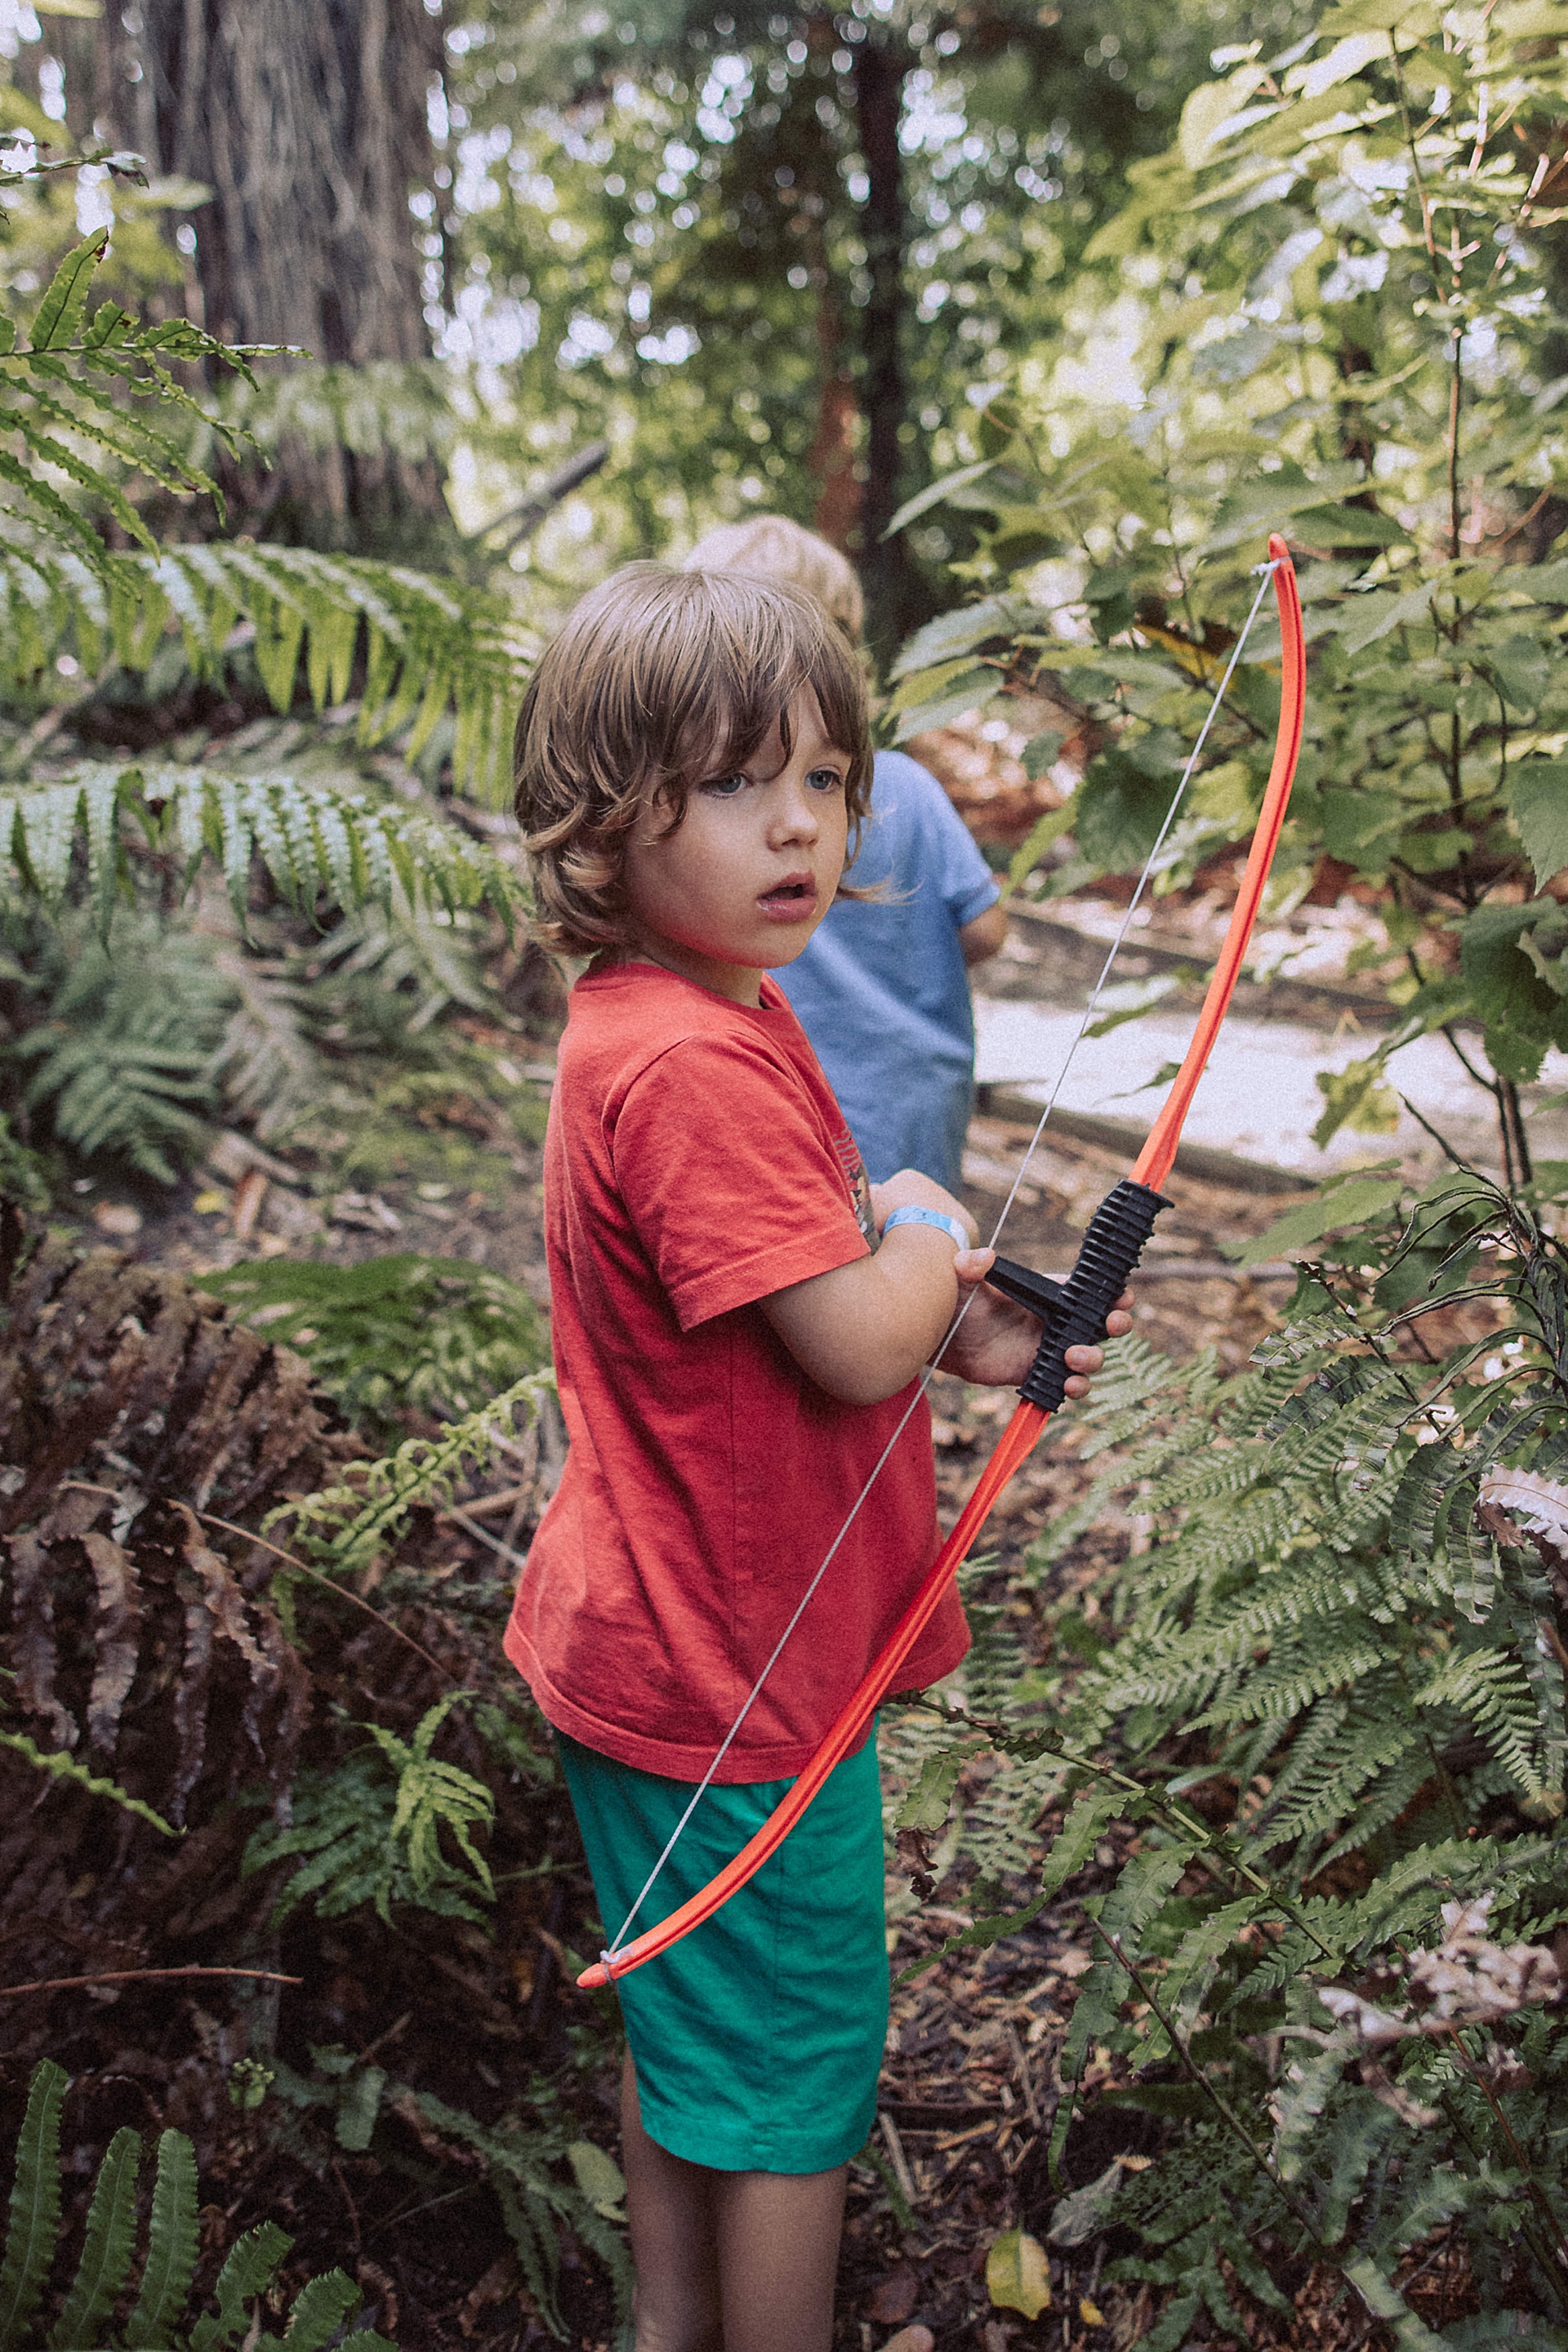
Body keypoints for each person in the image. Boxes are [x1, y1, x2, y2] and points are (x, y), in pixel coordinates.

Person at [507, 563, 1129, 2352]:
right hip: (729, 1683)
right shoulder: (687, 1063)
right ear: (598, 825)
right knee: (786, 2086)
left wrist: (964, 1315)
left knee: (697, 2034)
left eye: (828, 778)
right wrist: (929, 1228)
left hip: (674, 1646)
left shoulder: (692, 1014)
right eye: (724, 783)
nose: (796, 823)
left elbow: (800, 1299)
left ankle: (668, 2327)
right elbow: (856, 1325)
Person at [683, 515, 1007, 1192]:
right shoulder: (908, 788)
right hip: (909, 1098)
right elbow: (984, 928)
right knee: (907, 1259)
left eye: (825, 782)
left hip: (792, 1098)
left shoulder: (714, 805)